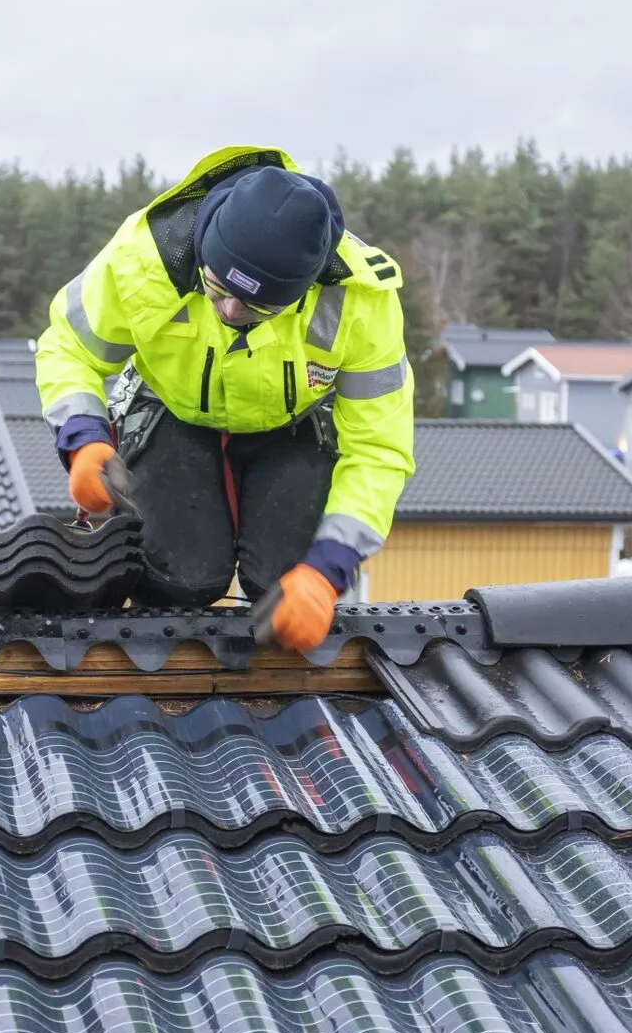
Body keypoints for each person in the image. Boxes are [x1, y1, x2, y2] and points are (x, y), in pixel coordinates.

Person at [34, 145, 415, 653]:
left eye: (258, 306)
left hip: (293, 426)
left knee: (283, 583)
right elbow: (68, 347)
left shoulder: (362, 300)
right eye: (216, 287)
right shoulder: (143, 258)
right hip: (171, 413)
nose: (231, 311)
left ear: (302, 290)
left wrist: (328, 570)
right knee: (180, 579)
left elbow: (379, 448)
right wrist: (82, 438)